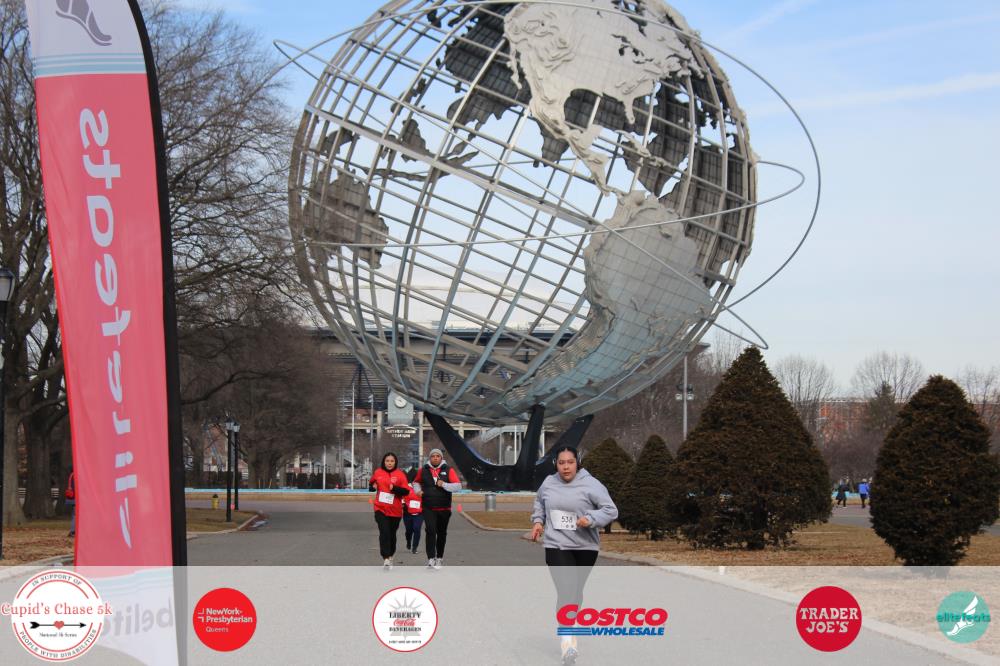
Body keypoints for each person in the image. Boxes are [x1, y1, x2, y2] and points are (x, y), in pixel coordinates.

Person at [531, 446, 618, 666]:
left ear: (577, 463)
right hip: (556, 545)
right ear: (556, 465)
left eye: (570, 462)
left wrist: (591, 519)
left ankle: (569, 626)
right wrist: (538, 521)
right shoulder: (549, 483)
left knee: (576, 593)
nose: (566, 467)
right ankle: (568, 641)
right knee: (567, 590)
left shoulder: (591, 484)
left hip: (585, 547)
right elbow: (539, 502)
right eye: (561, 463)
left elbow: (610, 510)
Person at [412, 448, 462, 570]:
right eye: (433, 456)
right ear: (430, 458)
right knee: (430, 531)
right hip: (428, 507)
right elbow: (415, 482)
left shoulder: (448, 470)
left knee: (441, 533)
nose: (435, 458)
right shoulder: (423, 470)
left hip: (444, 507)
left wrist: (444, 484)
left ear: (441, 458)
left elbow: (458, 486)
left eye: (437, 456)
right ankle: (431, 558)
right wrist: (418, 491)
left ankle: (439, 557)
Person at [369, 452, 411, 570]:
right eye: (387, 461)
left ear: (395, 462)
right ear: (384, 462)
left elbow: (406, 491)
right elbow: (371, 485)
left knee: (392, 534)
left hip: (395, 510)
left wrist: (395, 488)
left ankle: (391, 554)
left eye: (392, 461)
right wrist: (373, 487)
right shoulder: (378, 472)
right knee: (384, 532)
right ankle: (386, 558)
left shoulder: (400, 474)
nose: (389, 463)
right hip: (380, 508)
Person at [402, 467, 424, 554]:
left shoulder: (422, 488)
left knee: (417, 529)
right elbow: (401, 498)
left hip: (419, 513)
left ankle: (415, 547)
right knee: (409, 530)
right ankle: (408, 541)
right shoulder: (406, 487)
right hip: (407, 513)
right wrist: (403, 504)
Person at [65, 466, 76, 538]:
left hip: (72, 498)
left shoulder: (71, 475)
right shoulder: (75, 475)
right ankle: (73, 531)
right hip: (75, 498)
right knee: (75, 515)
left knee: (74, 515)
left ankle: (73, 530)